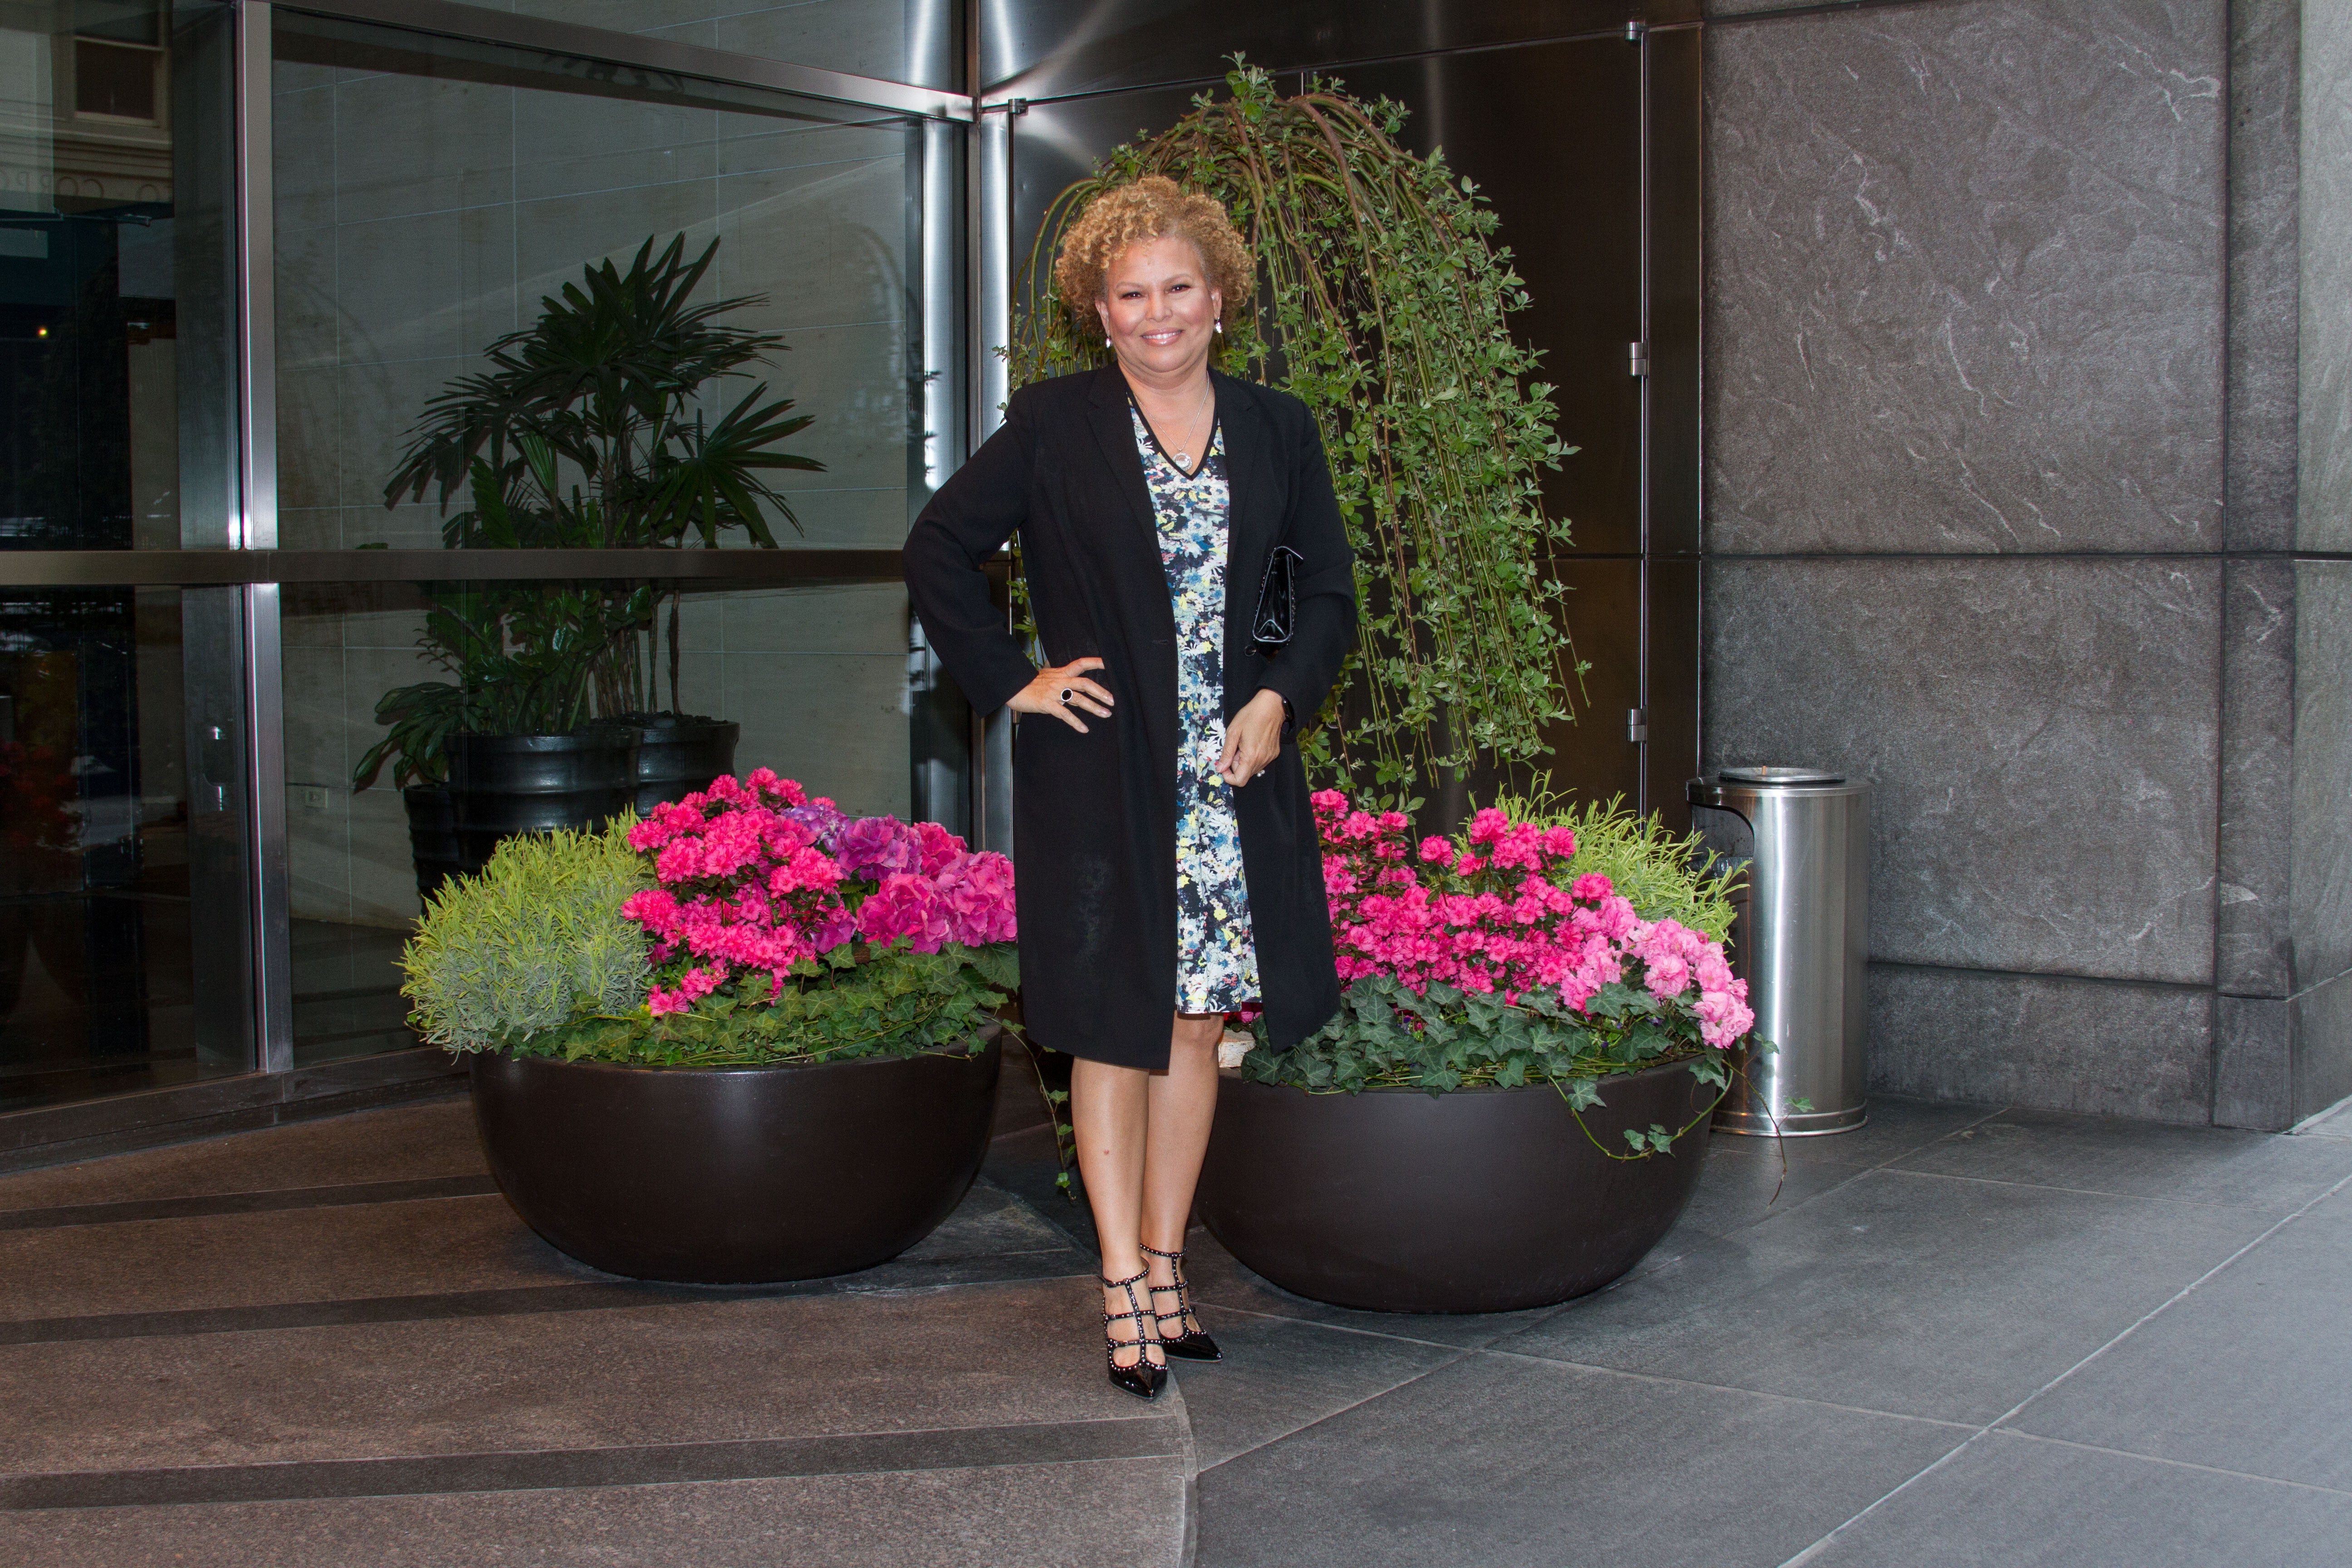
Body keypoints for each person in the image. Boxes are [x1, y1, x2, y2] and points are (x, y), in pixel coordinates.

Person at [904, 176, 1357, 1399]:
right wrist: (1013, 679)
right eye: (1131, 295)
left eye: (1178, 289)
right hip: (1103, 776)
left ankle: (1167, 1262)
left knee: (1198, 1022)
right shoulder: (1055, 424)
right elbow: (939, 545)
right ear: (1100, 314)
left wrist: (1278, 697)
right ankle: (1117, 1278)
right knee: (1114, 1023)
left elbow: (1320, 595)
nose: (1158, 314)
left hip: (1233, 778)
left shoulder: (1277, 428)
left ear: (1219, 299)